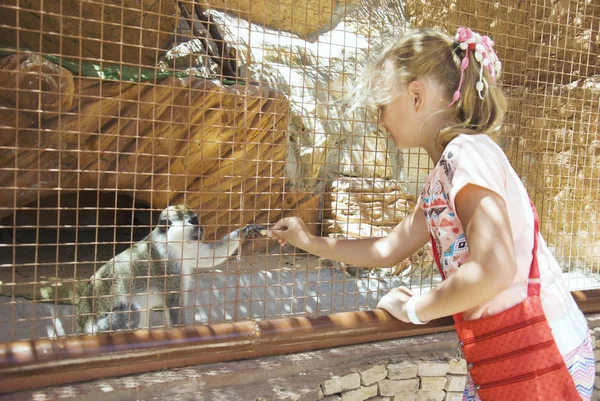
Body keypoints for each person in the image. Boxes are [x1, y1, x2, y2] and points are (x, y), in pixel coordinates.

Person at [267, 27, 594, 400]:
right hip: (510, 356)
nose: (379, 119)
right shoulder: (445, 174)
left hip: (540, 355)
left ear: (416, 95)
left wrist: (414, 308)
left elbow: (493, 269)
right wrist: (307, 241)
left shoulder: (466, 155)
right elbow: (388, 249)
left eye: (382, 104)